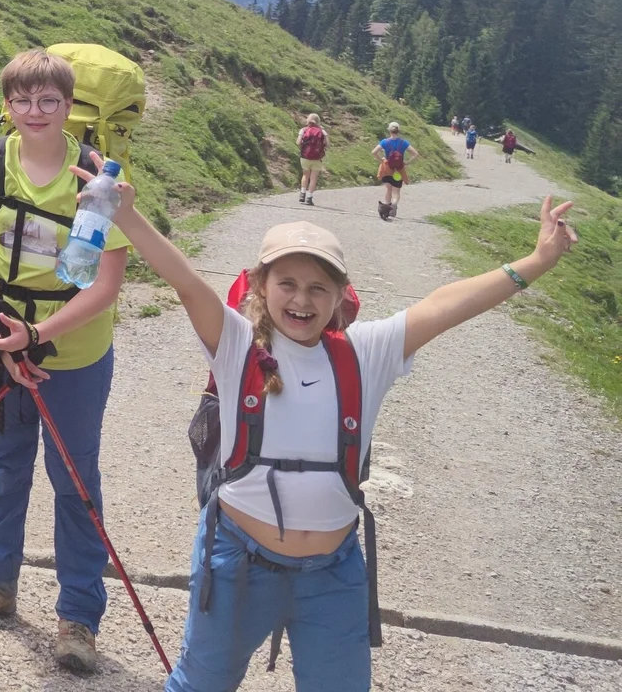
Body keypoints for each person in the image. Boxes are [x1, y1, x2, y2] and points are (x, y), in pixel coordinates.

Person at [107, 191, 576, 691]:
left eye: (318, 287)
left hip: (332, 572)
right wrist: (127, 214)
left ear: (339, 296)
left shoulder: (365, 351)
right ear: (261, 286)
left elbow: (444, 306)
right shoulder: (236, 342)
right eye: (286, 284)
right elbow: (184, 281)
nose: (302, 300)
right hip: (236, 560)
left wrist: (538, 261)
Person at [0, 49, 132, 674]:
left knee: (75, 479)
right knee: (6, 460)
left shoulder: (100, 178)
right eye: (22, 100)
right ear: (7, 104)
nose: (34, 112)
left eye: (48, 100)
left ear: (68, 104)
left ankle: (79, 616)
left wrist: (37, 334)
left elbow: (105, 286)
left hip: (74, 347)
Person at [372, 123, 416, 221]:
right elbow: (415, 154)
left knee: (388, 189)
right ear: (398, 131)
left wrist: (381, 160)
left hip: (387, 169)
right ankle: (394, 204)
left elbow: (374, 152)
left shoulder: (384, 142)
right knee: (396, 191)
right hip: (399, 170)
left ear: (389, 130)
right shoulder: (404, 143)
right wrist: (406, 162)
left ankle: (387, 208)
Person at [296, 115, 327, 206]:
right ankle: (309, 198)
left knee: (305, 175)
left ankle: (302, 194)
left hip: (305, 157)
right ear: (318, 121)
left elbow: (298, 142)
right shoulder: (322, 131)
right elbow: (327, 144)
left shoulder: (303, 130)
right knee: (313, 178)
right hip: (317, 158)